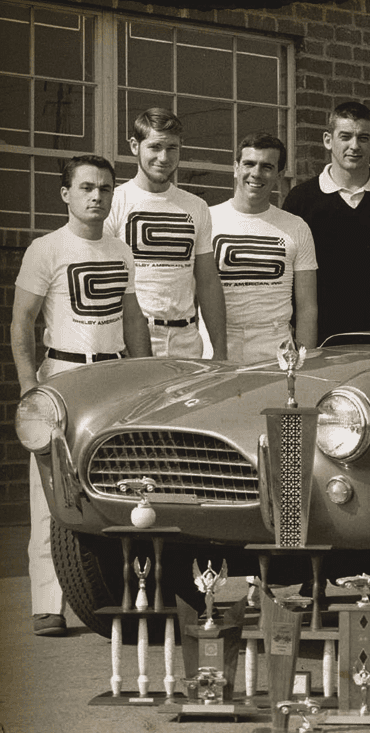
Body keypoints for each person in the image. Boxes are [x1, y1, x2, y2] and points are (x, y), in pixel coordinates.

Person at [11, 155, 152, 636]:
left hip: (113, 379)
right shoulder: (45, 249)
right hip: (62, 377)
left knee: (122, 490)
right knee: (48, 496)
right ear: (66, 193)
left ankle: (128, 595)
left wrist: (146, 378)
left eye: (106, 189)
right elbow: (20, 324)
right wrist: (31, 388)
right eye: (87, 187)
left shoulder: (120, 250)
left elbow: (133, 320)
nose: (97, 196)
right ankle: (48, 604)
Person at [283, 101, 370, 344]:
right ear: (328, 140)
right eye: (346, 136)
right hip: (320, 339)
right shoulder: (301, 200)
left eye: (363, 137)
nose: (354, 146)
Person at [104, 107, 227, 360]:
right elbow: (104, 282)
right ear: (134, 146)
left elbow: (207, 281)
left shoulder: (196, 206)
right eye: (155, 147)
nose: (164, 157)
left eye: (172, 148)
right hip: (131, 337)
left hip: (186, 340)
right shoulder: (115, 202)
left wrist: (220, 349)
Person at [200, 132, 317, 363]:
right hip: (216, 343)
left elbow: (307, 307)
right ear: (235, 168)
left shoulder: (296, 227)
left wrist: (305, 362)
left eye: (266, 166)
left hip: (274, 345)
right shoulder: (207, 219)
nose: (256, 173)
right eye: (249, 164)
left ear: (279, 174)